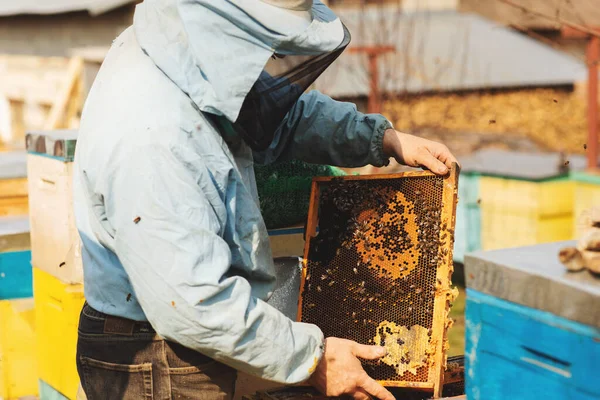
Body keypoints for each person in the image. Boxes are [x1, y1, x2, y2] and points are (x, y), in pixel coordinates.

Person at [72, 0, 458, 399]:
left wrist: (380, 138)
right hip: (158, 353)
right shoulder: (152, 137)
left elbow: (275, 113)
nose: (270, 58)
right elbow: (195, 304)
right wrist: (313, 358)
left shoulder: (183, 48)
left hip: (178, 335)